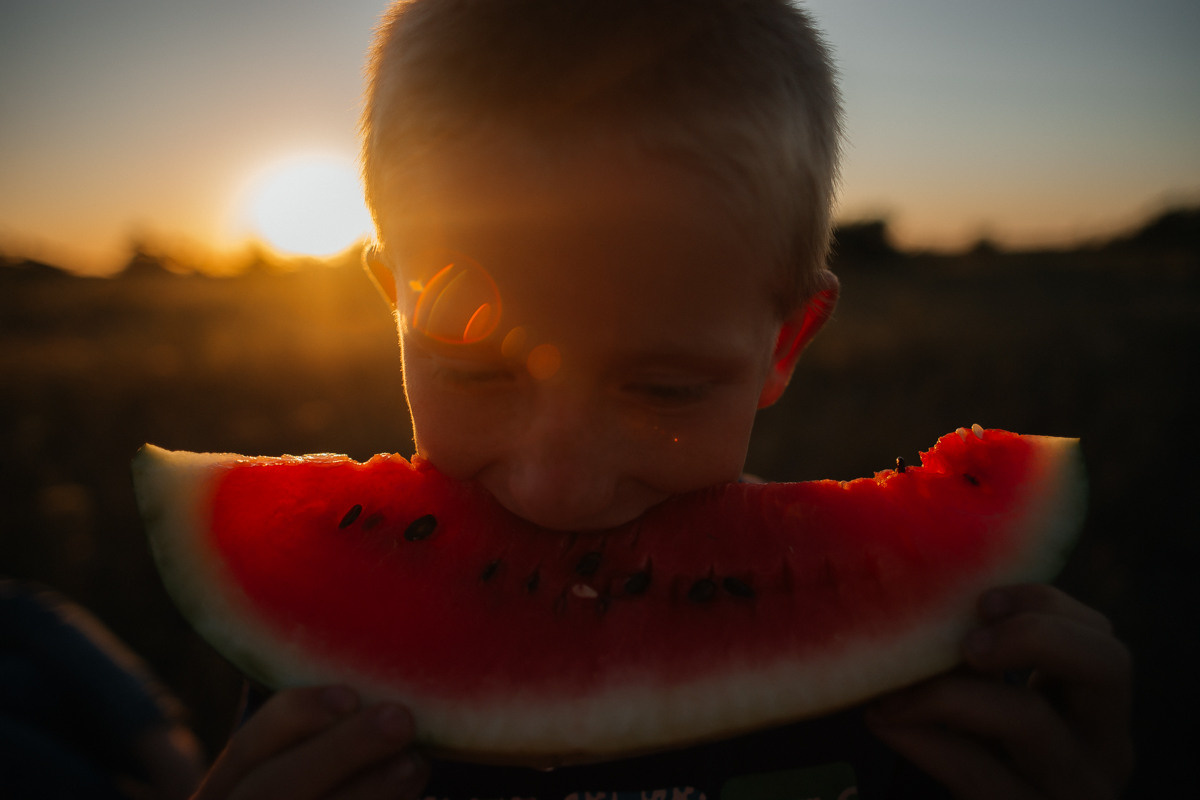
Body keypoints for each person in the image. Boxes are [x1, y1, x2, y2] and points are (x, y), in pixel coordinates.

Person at [190, 1, 1132, 798]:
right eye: (475, 372)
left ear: (785, 344)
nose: (557, 487)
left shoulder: (935, 695)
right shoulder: (325, 694)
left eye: (665, 390)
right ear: (393, 305)